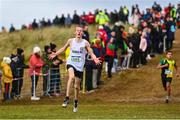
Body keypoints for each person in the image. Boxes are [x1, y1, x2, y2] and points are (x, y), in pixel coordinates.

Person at [50, 26, 101, 112]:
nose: (79, 32)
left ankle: (76, 101)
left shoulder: (85, 43)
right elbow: (64, 48)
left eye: (80, 31)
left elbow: (91, 52)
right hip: (71, 63)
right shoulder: (70, 41)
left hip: (80, 66)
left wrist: (95, 58)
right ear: (75, 32)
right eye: (77, 31)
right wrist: (56, 54)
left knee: (77, 87)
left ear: (82, 33)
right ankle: (66, 98)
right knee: (71, 77)